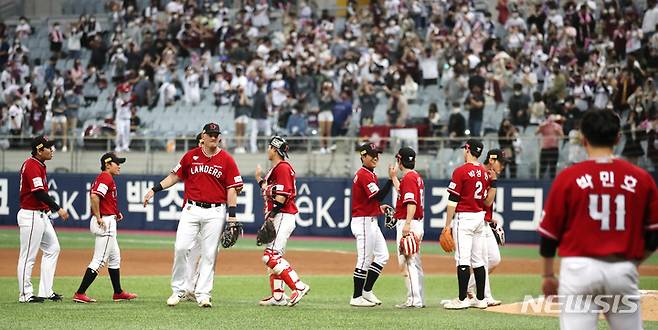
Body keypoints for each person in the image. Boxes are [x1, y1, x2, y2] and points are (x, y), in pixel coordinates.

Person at [539, 109, 658, 329]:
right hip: (622, 268)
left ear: (583, 139)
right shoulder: (641, 178)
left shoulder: (568, 177)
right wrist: (632, 263)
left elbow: (549, 236)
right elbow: (654, 234)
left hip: (578, 270)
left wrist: (547, 274)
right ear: (618, 138)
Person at [142, 123, 243, 308]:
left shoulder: (227, 159)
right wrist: (154, 189)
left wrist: (232, 215)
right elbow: (174, 176)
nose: (214, 137)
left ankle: (203, 294)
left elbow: (232, 189)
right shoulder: (191, 156)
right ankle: (178, 290)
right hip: (191, 209)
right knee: (180, 247)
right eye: (210, 134)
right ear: (203, 136)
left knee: (209, 254)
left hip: (215, 211)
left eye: (216, 134)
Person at [72, 153, 137, 303]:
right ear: (108, 164)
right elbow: (95, 196)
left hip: (108, 219)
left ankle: (118, 292)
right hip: (105, 223)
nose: (119, 166)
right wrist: (99, 216)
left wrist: (115, 213)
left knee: (115, 258)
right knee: (100, 260)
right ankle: (80, 293)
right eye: (116, 163)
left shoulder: (106, 178)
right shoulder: (106, 177)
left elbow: (102, 199)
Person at [255, 136, 311, 306]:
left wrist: (272, 215)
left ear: (274, 149)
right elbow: (271, 190)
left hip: (283, 215)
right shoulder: (277, 169)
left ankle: (298, 286)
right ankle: (278, 296)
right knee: (275, 258)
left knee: (270, 257)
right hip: (280, 215)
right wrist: (259, 180)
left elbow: (282, 196)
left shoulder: (283, 168)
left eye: (269, 147)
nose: (268, 150)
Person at [17, 136, 69, 303]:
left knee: (53, 248)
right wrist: (58, 209)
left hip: (40, 215)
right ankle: (25, 294)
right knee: (28, 257)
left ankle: (46, 291)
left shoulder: (39, 165)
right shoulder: (32, 165)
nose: (52, 150)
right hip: (30, 215)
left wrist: (47, 210)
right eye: (48, 147)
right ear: (39, 150)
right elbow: (38, 193)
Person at [442, 139, 492, 309]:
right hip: (479, 216)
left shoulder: (461, 171)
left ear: (468, 150)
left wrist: (447, 225)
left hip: (465, 217)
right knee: (478, 260)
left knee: (462, 259)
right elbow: (486, 199)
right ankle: (480, 299)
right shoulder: (484, 172)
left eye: (465, 149)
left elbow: (452, 200)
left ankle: (462, 299)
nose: (464, 151)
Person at [349, 143, 396, 307]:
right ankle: (356, 297)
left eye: (377, 154)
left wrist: (379, 208)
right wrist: (391, 180)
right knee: (364, 260)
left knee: (383, 255)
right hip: (363, 222)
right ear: (363, 156)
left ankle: (366, 291)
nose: (376, 157)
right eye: (372, 154)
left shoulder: (369, 173)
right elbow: (377, 196)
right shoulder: (364, 174)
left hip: (370, 220)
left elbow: (371, 200)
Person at [467, 149, 507, 307]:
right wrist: (494, 182)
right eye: (501, 163)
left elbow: (485, 204)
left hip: (485, 221)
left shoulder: (489, 175)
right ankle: (486, 297)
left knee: (494, 259)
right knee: (482, 260)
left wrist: (490, 218)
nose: (503, 167)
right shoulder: (481, 175)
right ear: (492, 160)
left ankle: (469, 288)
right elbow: (486, 202)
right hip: (475, 222)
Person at [393, 147, 425, 309]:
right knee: (414, 263)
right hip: (415, 222)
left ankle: (414, 299)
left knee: (408, 262)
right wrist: (393, 178)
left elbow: (411, 202)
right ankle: (417, 298)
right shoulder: (414, 177)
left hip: (410, 223)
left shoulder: (410, 178)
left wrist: (406, 224)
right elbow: (403, 192)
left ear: (400, 160)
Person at [114, 83, 132, 152]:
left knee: (126, 133)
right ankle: (118, 146)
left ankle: (125, 146)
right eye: (123, 92)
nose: (125, 94)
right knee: (120, 133)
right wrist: (130, 100)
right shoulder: (118, 100)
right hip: (120, 119)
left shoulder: (128, 99)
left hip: (127, 118)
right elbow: (123, 104)